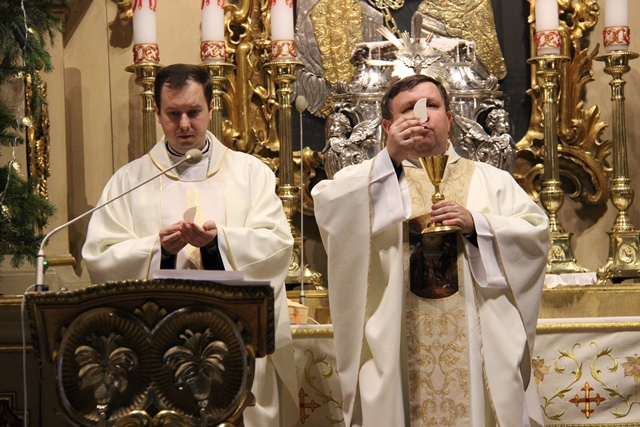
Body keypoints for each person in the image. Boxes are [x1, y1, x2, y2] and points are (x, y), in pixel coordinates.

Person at [312, 74, 550, 426]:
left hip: (478, 346)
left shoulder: (492, 180)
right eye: (408, 109)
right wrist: (390, 160)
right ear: (387, 126)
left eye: (431, 106)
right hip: (395, 345)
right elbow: (333, 216)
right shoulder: (363, 181)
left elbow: (534, 234)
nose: (421, 116)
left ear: (449, 119)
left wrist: (478, 225)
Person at [82, 63, 298, 427]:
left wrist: (217, 244)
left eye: (194, 112)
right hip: (156, 344)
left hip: (235, 340)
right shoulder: (129, 181)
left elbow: (277, 246)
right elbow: (100, 258)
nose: (184, 124)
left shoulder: (251, 174)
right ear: (157, 112)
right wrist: (159, 251)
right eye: (173, 114)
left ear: (212, 108)